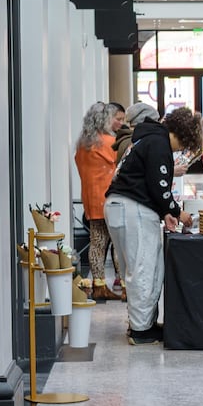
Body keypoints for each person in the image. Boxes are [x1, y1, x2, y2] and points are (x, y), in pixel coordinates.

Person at [105, 104, 203, 345]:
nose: (182, 150)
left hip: (119, 206)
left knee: (137, 268)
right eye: (184, 144)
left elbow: (147, 181)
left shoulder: (145, 139)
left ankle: (141, 324)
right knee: (144, 269)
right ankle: (141, 330)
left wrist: (164, 212)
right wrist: (176, 212)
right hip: (133, 209)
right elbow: (159, 186)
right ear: (181, 134)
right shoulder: (159, 144)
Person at [74, 102, 124, 301]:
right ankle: (125, 284)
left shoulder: (82, 144)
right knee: (118, 244)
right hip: (111, 198)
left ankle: (99, 284)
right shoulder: (109, 142)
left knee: (97, 243)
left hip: (91, 198)